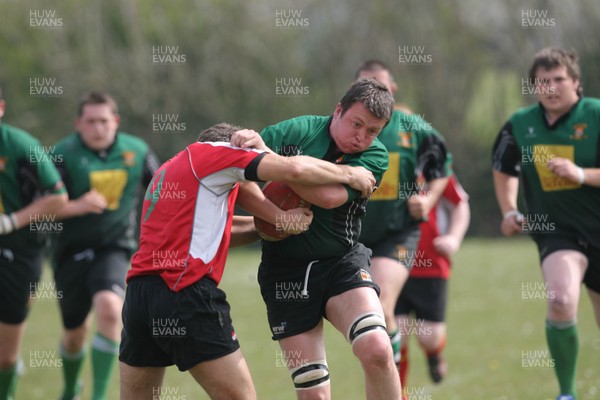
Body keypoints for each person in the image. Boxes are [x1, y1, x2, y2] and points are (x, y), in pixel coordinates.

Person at [118, 123, 377, 400]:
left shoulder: (171, 169)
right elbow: (294, 170)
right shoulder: (220, 152)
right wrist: (350, 173)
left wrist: (279, 223)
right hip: (185, 292)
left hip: (139, 298)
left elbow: (224, 230)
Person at [233, 77, 400, 399]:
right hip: (285, 273)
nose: (361, 137)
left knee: (377, 350)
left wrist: (270, 160)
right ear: (338, 111)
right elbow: (239, 178)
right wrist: (277, 216)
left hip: (341, 262)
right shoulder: (294, 132)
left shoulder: (376, 157)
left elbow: (328, 197)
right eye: (357, 124)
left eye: (372, 131)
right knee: (314, 393)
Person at [492, 47, 600, 400]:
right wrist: (509, 210)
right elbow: (504, 167)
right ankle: (567, 393)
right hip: (557, 230)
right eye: (542, 81)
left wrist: (580, 174)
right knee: (560, 298)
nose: (550, 88)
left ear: (576, 83)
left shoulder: (596, 115)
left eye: (558, 80)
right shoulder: (521, 125)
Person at [51, 91, 160, 400]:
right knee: (75, 335)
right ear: (78, 124)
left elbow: (166, 188)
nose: (98, 128)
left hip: (115, 247)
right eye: (91, 121)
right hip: (70, 252)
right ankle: (71, 388)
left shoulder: (136, 151)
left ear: (116, 122)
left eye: (104, 121)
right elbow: (36, 208)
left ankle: (98, 396)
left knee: (111, 310)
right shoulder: (61, 154)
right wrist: (76, 206)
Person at [356, 60, 450, 370]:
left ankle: (396, 389)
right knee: (370, 319)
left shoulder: (413, 129)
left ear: (393, 90)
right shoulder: (343, 129)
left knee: (382, 308)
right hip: (353, 237)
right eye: (365, 86)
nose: (373, 95)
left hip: (397, 234)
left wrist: (427, 198)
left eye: (380, 87)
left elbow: (441, 170)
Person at [0, 85, 68, 400]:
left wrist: (11, 220)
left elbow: (58, 197)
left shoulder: (21, 146)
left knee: (6, 356)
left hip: (20, 252)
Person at [396, 173, 470, 389]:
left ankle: (433, 354)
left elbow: (460, 204)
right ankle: (398, 393)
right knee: (395, 336)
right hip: (393, 262)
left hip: (432, 266)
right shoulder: (382, 160)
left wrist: (453, 238)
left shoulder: (435, 169)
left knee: (429, 337)